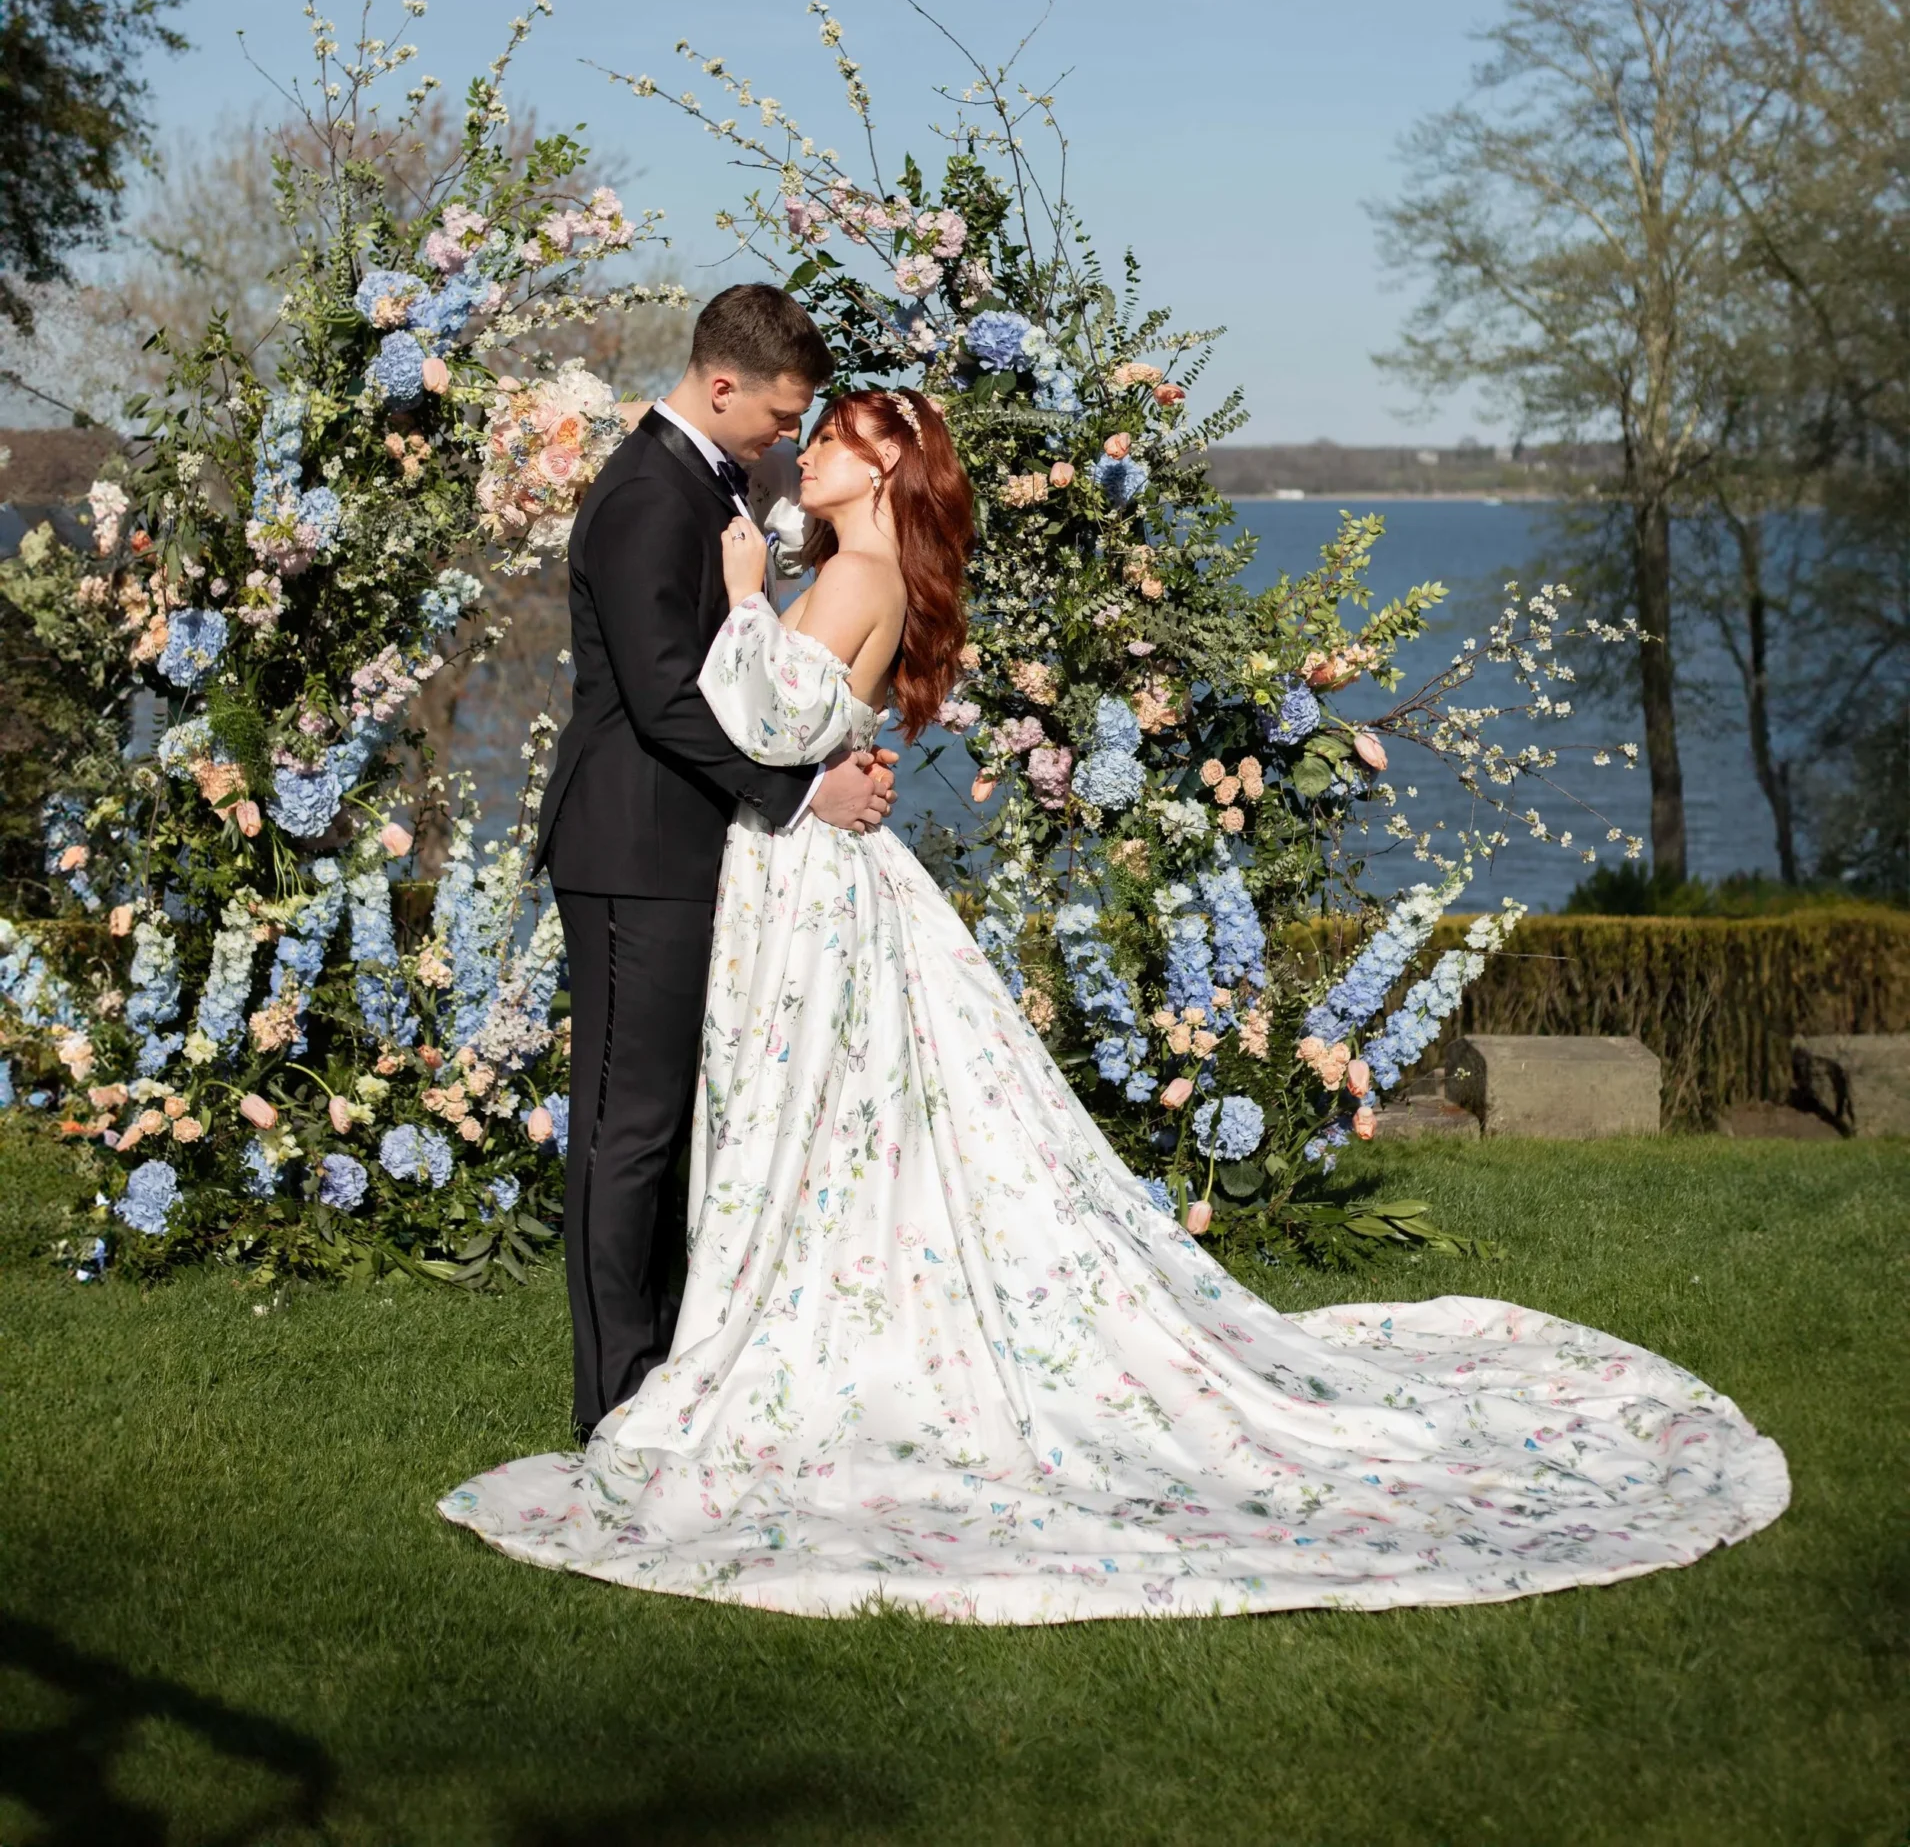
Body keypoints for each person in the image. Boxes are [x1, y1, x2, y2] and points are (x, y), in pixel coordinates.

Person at [447, 387, 1789, 1622]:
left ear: (892, 467)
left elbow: (756, 720)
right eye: (826, 427)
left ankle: (796, 1338)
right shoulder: (848, 569)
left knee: (814, 1109)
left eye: (851, 435)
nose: (821, 448)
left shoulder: (850, 571)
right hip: (807, 871)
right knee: (824, 1117)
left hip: (807, 881)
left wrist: (739, 597)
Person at [532, 285, 898, 1441]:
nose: (787, 440)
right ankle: (615, 1401)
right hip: (632, 848)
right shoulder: (647, 493)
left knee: (681, 1124)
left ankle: (674, 1371)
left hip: (692, 845)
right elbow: (660, 703)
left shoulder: (714, 482)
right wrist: (804, 790)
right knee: (626, 1126)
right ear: (721, 383)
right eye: (781, 418)